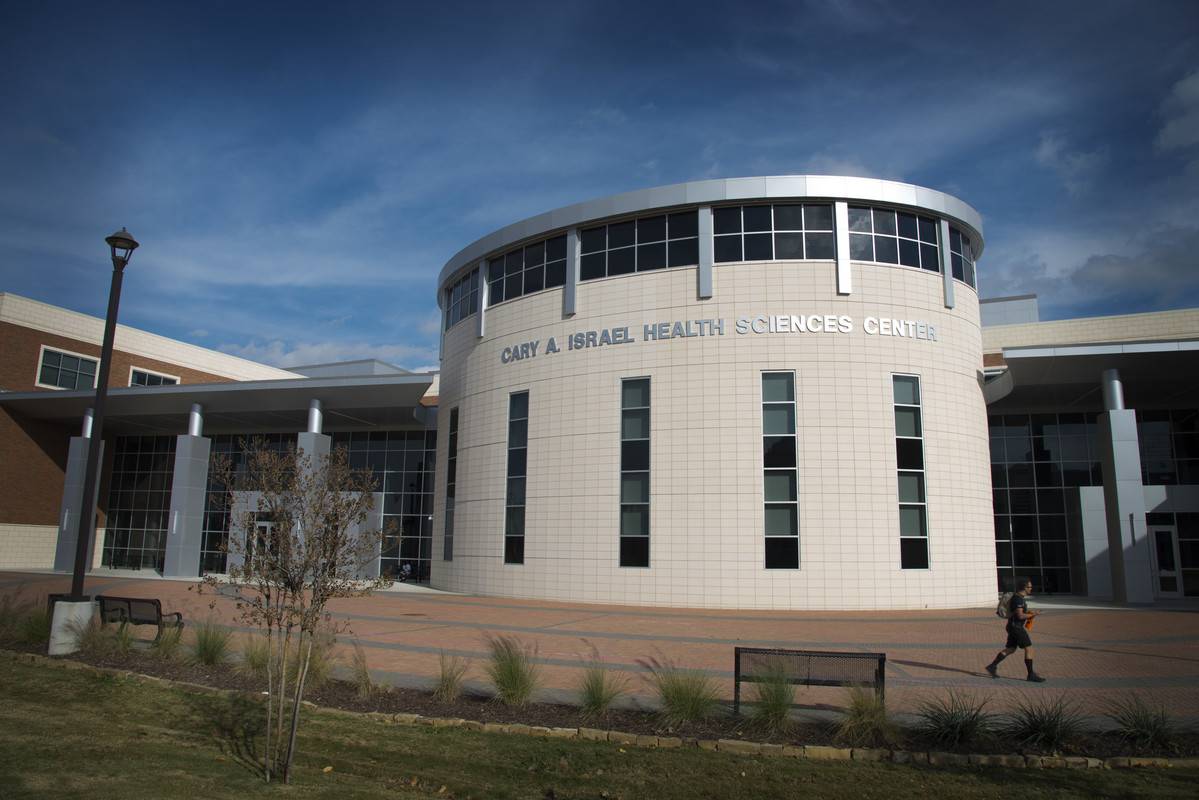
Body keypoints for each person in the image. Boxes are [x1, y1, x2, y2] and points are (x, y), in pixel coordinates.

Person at [985, 577, 1046, 682]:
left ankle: (992, 666)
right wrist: (1033, 614)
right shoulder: (1018, 599)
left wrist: (1030, 613)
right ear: (1024, 587)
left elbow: (1019, 614)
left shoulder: (1018, 597)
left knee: (1011, 649)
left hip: (1012, 626)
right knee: (1029, 649)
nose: (1031, 589)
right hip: (1016, 627)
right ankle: (1030, 675)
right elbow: (1020, 616)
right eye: (1029, 587)